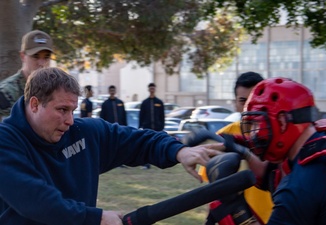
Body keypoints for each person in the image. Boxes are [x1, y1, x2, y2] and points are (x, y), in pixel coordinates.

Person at [0, 67, 223, 225]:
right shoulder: (6, 141)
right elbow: (34, 200)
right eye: (62, 110)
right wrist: (95, 218)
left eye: (72, 111)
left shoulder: (82, 133)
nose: (69, 120)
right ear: (35, 104)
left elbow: (138, 140)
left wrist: (178, 151)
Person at [239, 77, 326, 224]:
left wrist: (234, 210)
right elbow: (272, 177)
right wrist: (240, 149)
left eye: (258, 125)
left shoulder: (298, 187)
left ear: (282, 122)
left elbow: (295, 192)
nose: (255, 134)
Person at [195, 72, 273, 225]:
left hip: (275, 216)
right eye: (243, 100)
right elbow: (214, 189)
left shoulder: (278, 136)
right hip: (238, 218)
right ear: (235, 103)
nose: (248, 107)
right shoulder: (225, 136)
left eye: (254, 100)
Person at [0, 30, 53, 120]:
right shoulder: (6, 93)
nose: (41, 63)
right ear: (22, 56)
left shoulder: (53, 90)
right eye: (35, 56)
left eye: (46, 57)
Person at [139, 82, 165, 169]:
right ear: (148, 90)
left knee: (158, 145)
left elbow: (162, 115)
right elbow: (141, 115)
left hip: (157, 128)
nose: (152, 90)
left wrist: (161, 126)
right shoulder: (145, 103)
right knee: (147, 146)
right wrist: (141, 126)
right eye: (150, 89)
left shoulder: (159, 102)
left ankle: (159, 162)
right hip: (147, 128)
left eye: (153, 88)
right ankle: (146, 164)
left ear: (155, 89)